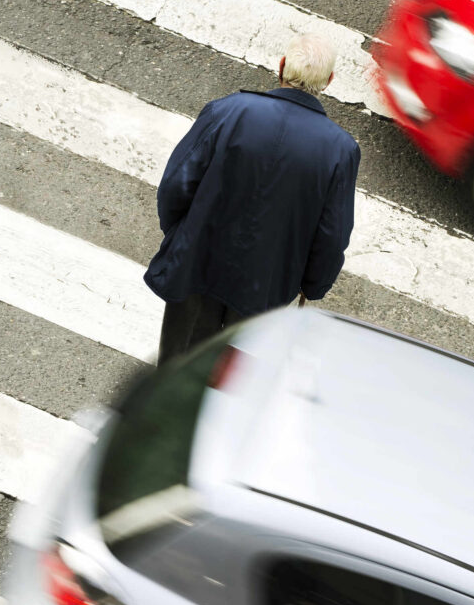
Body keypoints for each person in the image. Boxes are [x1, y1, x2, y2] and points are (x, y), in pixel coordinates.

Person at [144, 33, 361, 364]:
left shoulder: (228, 111)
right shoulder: (340, 151)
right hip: (267, 290)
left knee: (178, 370)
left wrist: (182, 237)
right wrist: (313, 285)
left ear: (282, 67)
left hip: (198, 266)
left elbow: (176, 184)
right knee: (233, 380)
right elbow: (331, 236)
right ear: (329, 81)